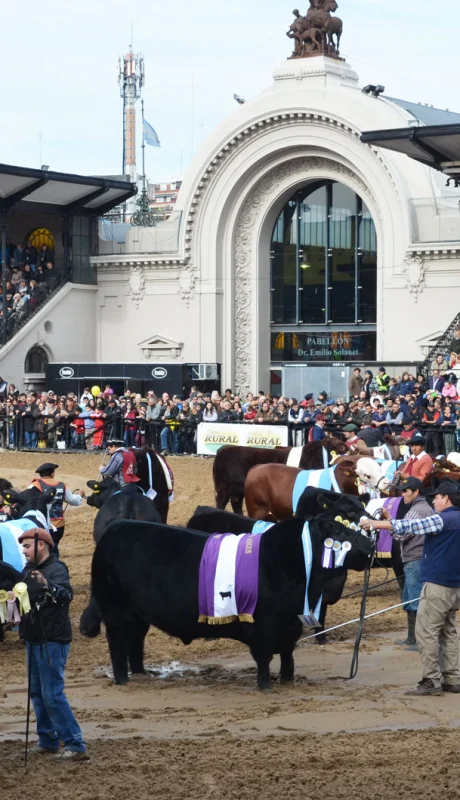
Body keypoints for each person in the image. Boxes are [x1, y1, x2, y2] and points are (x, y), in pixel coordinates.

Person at [360, 481, 460, 696]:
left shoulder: (442, 519)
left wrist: (376, 524)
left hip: (438, 584)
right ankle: (452, 678)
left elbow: (411, 527)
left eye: (437, 497)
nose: (433, 500)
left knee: (426, 632)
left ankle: (431, 681)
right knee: (449, 631)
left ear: (447, 499)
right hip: (455, 586)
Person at [18, 527, 88, 759]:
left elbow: (67, 596)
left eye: (27, 546)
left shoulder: (57, 569)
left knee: (52, 694)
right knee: (37, 693)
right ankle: (47, 739)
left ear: (41, 545)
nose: (24, 551)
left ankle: (75, 744)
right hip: (33, 638)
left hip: (52, 640)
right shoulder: (28, 570)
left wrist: (48, 585)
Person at [391, 478, 433, 648]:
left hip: (413, 559)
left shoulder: (415, 512)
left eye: (406, 491)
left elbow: (401, 536)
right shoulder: (426, 508)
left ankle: (418, 641)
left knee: (415, 601)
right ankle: (412, 638)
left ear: (416, 492)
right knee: (409, 600)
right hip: (419, 559)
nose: (402, 495)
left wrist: (390, 526)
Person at [30, 463, 85, 555]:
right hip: (58, 524)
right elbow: (73, 500)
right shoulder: (61, 486)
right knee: (54, 546)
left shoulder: (35, 485)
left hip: (40, 523)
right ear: (52, 474)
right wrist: (80, 495)